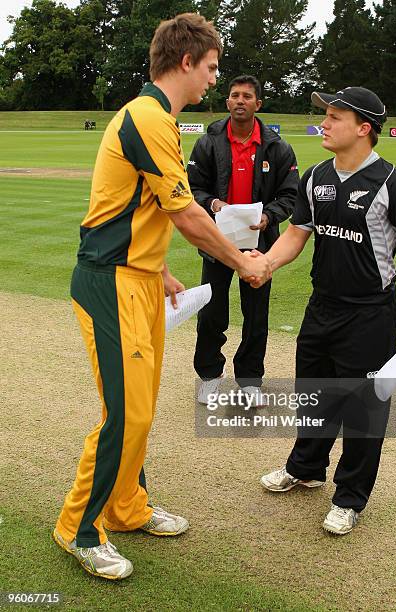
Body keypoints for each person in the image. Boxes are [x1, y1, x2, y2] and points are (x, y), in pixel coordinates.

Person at [52, 13, 271, 580]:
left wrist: (162, 269)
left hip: (141, 279)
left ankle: (126, 508)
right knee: (124, 415)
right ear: (185, 62)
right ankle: (78, 527)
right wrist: (241, 260)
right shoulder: (148, 118)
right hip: (109, 284)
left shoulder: (161, 121)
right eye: (211, 68)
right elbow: (187, 214)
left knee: (140, 413)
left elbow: (140, 208)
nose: (214, 81)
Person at [256, 86, 396, 534]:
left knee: (363, 409)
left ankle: (350, 497)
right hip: (322, 307)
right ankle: (306, 467)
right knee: (313, 394)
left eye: (335, 117)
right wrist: (267, 263)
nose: (325, 123)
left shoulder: (394, 182)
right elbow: (297, 233)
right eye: (326, 116)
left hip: (371, 313)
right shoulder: (315, 176)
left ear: (364, 128)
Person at [187, 75, 299, 406]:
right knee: (211, 313)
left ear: (257, 104)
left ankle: (250, 381)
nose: (240, 100)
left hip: (259, 245)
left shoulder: (277, 146)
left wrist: (268, 216)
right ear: (227, 102)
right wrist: (212, 204)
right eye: (234, 95)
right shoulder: (209, 141)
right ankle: (209, 376)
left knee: (256, 315)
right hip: (217, 242)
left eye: (247, 96)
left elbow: (290, 195)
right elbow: (193, 187)